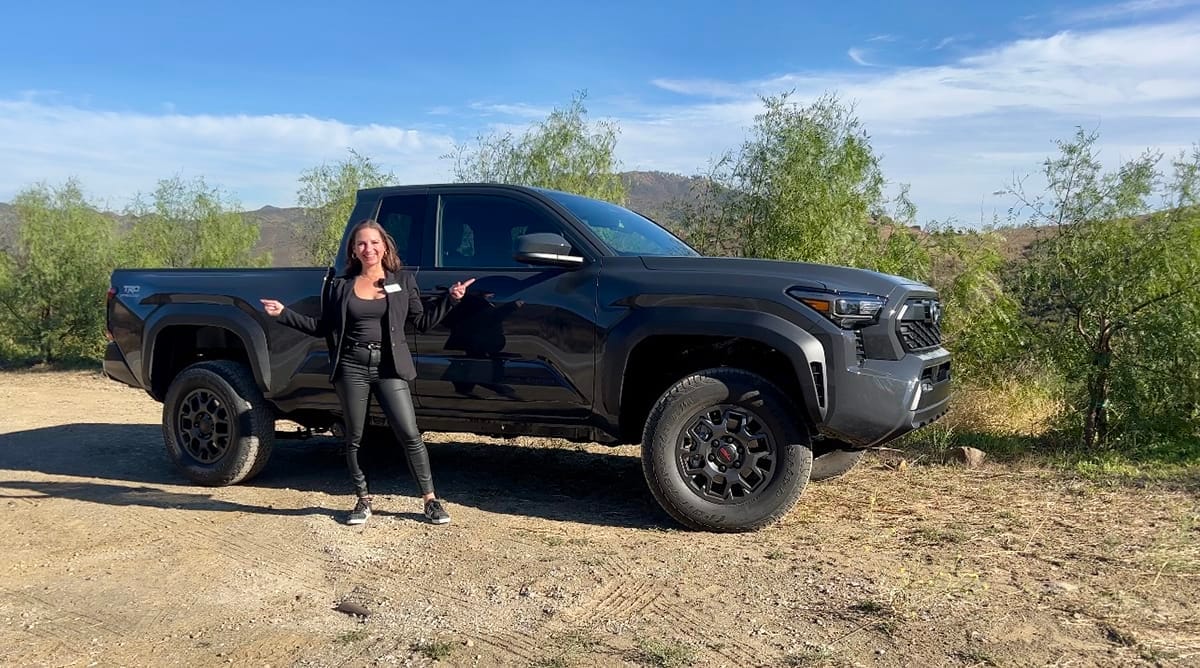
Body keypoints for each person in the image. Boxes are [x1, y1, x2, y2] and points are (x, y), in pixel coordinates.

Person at [260, 219, 474, 526]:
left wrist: (451, 300)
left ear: (384, 246)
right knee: (356, 437)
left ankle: (430, 500)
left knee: (409, 433)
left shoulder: (401, 280)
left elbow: (422, 322)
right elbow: (323, 328)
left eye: (374, 242)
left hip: (389, 366)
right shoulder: (341, 285)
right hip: (352, 367)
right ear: (354, 250)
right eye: (361, 243)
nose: (368, 248)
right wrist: (284, 314)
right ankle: (363, 500)